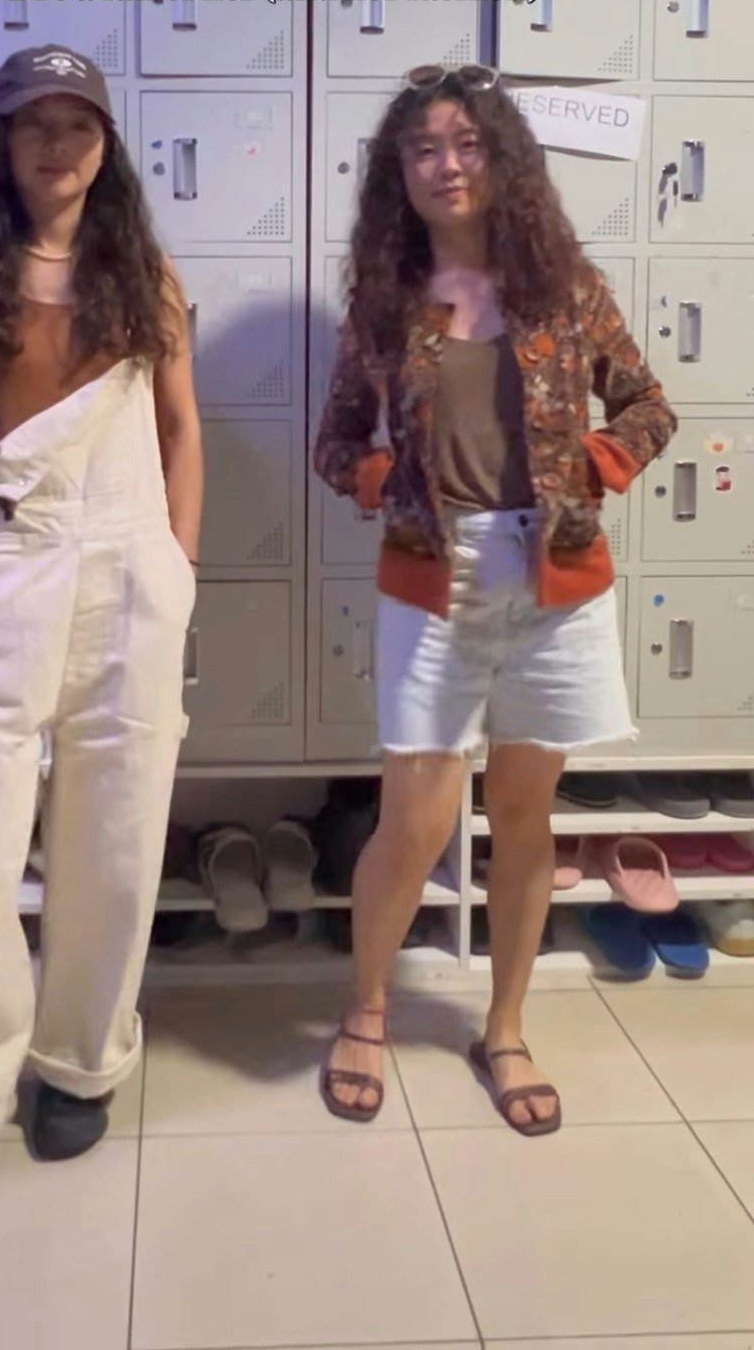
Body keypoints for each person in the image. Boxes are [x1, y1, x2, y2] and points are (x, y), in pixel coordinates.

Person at [313, 63, 675, 1136]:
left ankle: (505, 1026)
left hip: (551, 577)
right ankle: (366, 1008)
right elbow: (336, 440)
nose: (446, 164)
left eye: (466, 143)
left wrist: (593, 468)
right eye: (423, 147)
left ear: (501, 156)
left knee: (524, 816)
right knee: (415, 818)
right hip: (436, 577)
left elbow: (648, 404)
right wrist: (385, 482)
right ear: (399, 170)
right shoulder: (386, 300)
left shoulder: (565, 287)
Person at [0, 44, 203, 1207]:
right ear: (2, 140)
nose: (56, 145)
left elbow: (178, 428)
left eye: (78, 124)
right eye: (35, 124)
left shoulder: (146, 273)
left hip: (131, 563)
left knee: (114, 833)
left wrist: (178, 562)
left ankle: (80, 1063)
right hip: (8, 559)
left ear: (105, 144)